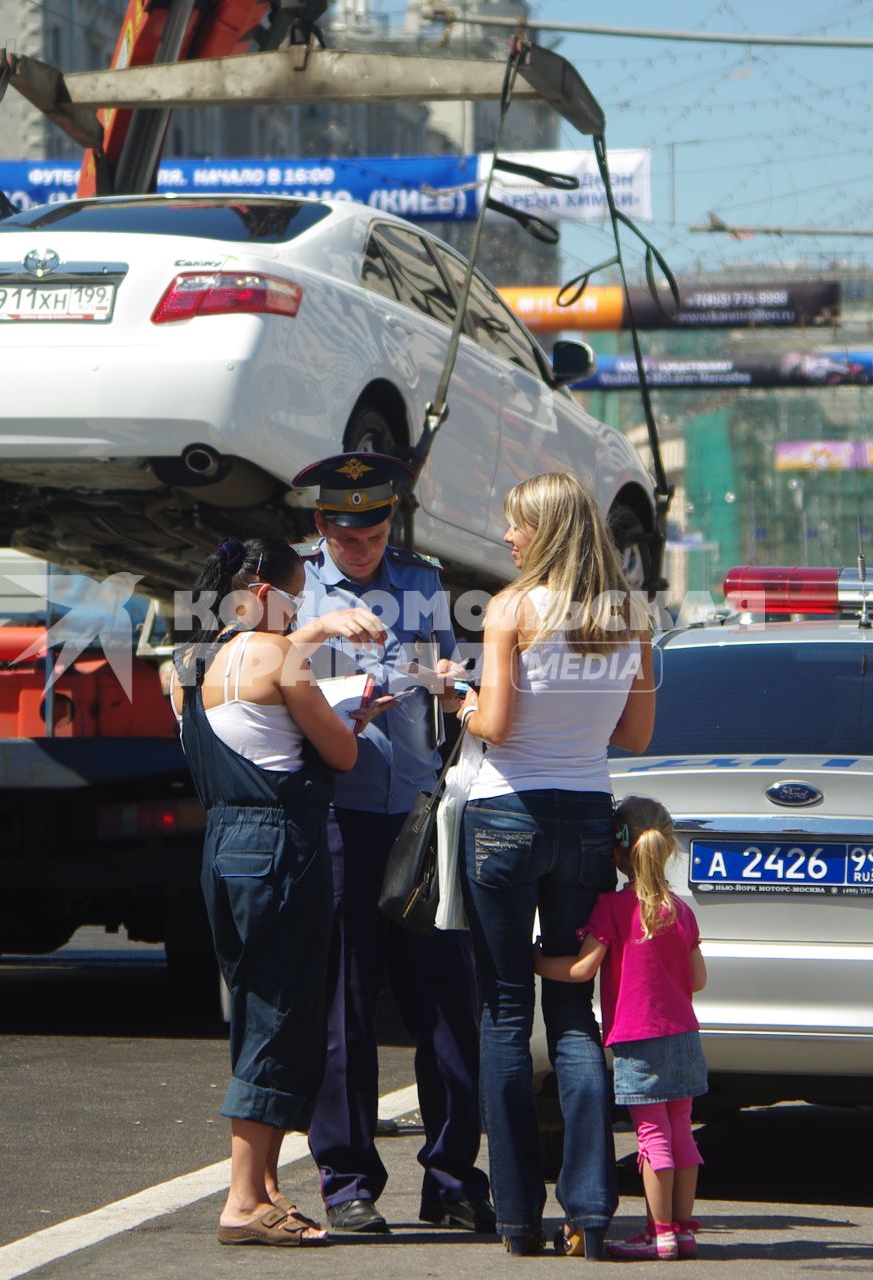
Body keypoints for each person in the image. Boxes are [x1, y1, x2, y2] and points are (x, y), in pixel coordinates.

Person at [286, 451, 493, 1235]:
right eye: (344, 533)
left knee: (445, 999)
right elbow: (264, 670)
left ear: (388, 524)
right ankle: (346, 1178)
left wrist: (444, 675)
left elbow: (444, 672)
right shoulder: (296, 590)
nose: (359, 546)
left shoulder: (420, 581)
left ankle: (450, 1174)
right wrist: (315, 634)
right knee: (343, 1005)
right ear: (320, 527)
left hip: (412, 810)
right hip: (335, 813)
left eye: (371, 531)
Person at [457, 471, 657, 1258]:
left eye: (516, 527)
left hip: (504, 815)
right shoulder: (629, 616)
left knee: (505, 1011)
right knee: (575, 1015)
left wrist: (456, 699)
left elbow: (497, 726)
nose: (507, 539)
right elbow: (635, 738)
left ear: (544, 533)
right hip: (582, 815)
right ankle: (591, 1210)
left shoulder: (510, 608)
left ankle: (515, 1216)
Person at [171, 535, 388, 1247]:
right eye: (296, 598)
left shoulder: (187, 662)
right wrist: (351, 716)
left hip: (224, 847)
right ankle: (241, 1198)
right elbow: (343, 755)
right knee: (282, 1011)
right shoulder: (279, 654)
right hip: (280, 845)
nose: (299, 612)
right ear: (261, 591)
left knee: (256, 1006)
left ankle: (263, 1186)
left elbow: (248, 740)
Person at [534, 796, 707, 1263]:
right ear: (666, 846)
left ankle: (660, 1233)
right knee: (682, 1132)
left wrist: (533, 959)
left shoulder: (612, 908)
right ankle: (684, 1229)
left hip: (637, 1038)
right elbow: (698, 979)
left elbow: (581, 970)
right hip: (684, 1037)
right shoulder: (682, 911)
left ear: (616, 851)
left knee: (651, 1138)